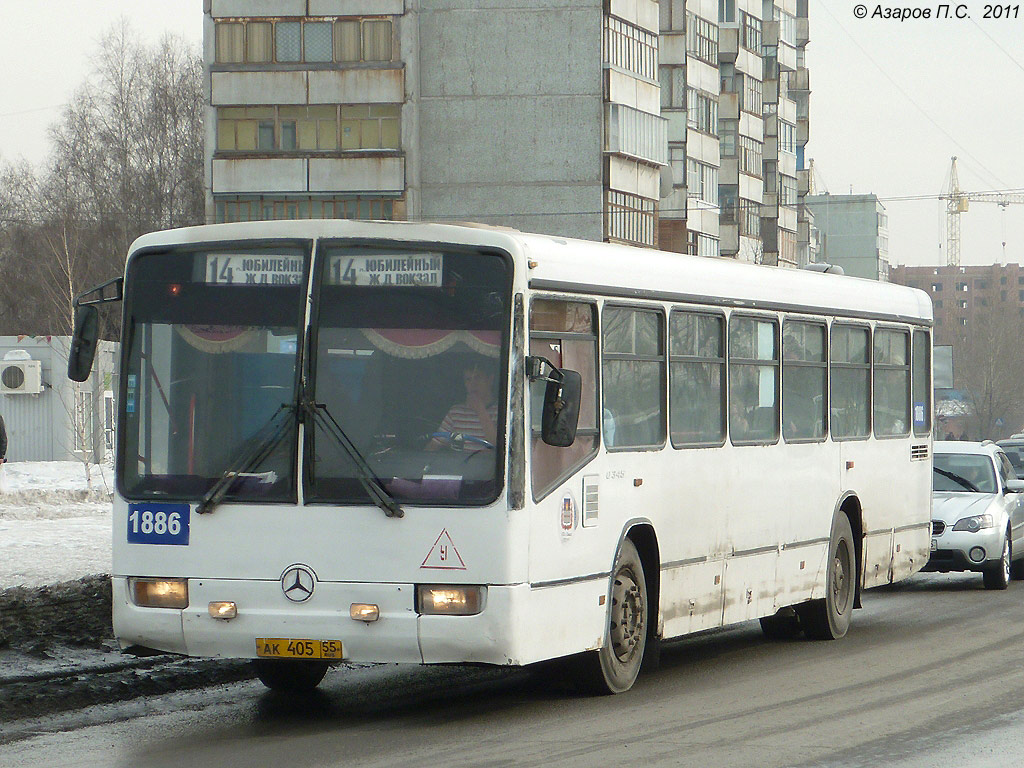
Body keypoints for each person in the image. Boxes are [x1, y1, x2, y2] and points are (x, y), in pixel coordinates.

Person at [429, 360, 498, 451]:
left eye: (477, 378)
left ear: (490, 380)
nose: (472, 384)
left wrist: (481, 411)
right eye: (468, 379)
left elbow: (497, 446)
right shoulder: (455, 412)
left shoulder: (501, 411)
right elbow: (435, 444)